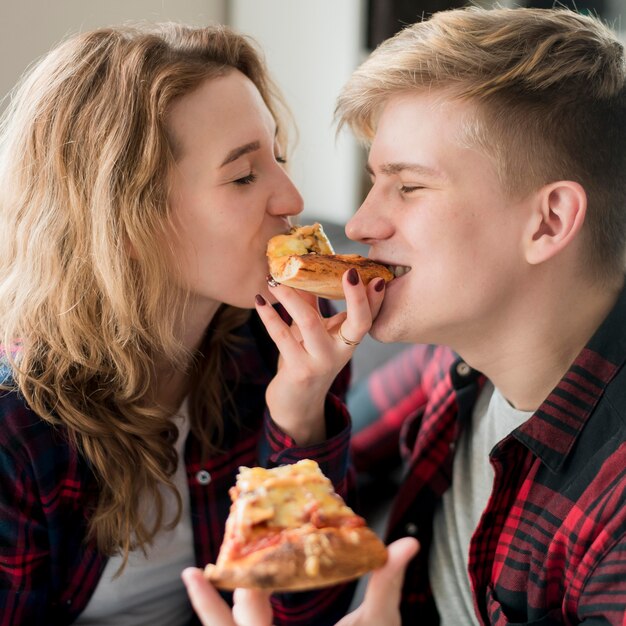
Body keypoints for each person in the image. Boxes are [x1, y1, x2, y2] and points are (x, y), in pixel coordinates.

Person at [182, 5, 626, 625]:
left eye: (408, 186)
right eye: (373, 181)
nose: (359, 226)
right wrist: (301, 409)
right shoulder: (447, 374)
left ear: (548, 221)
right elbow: (305, 555)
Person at [0, 22, 388, 626]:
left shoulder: (277, 347)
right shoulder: (16, 426)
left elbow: (303, 610)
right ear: (125, 222)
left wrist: (299, 411)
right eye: (242, 176)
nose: (291, 198)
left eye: (279, 157)